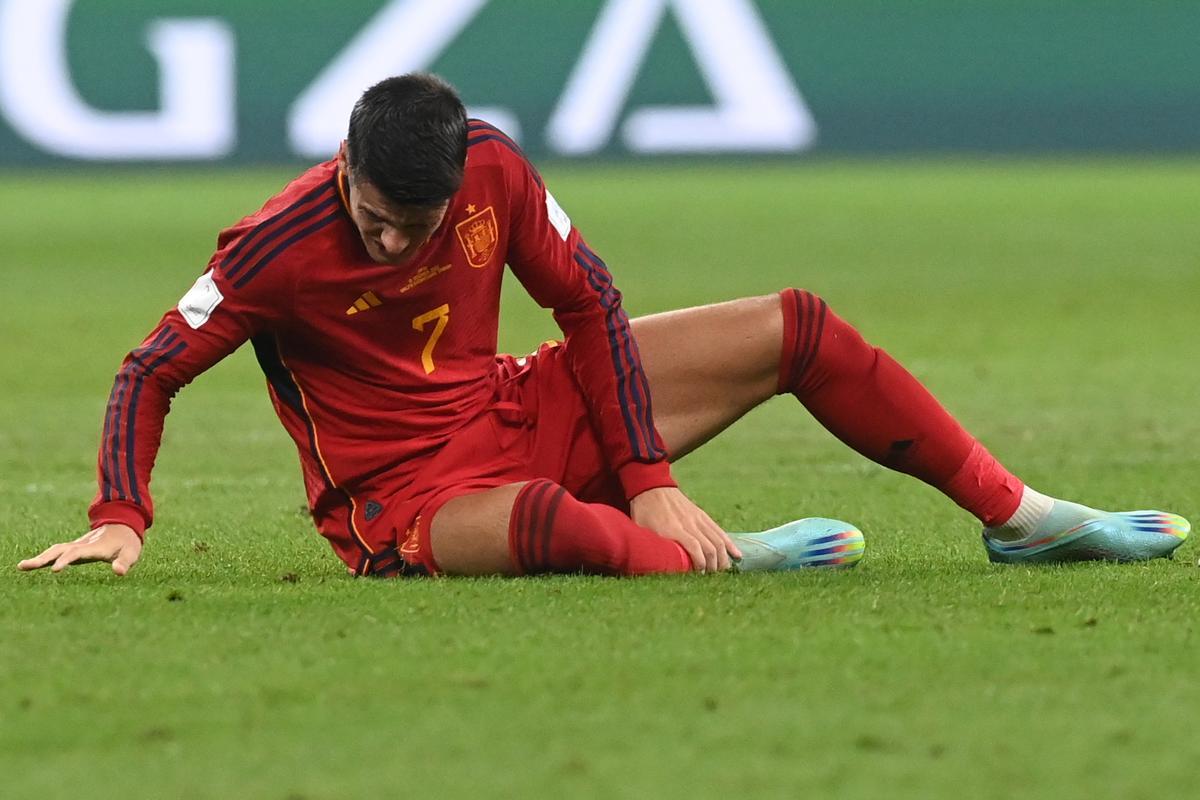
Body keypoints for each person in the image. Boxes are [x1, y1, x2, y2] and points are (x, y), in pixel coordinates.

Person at [17, 73, 1189, 579]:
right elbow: (150, 368)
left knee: (798, 324)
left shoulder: (495, 176)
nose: (392, 247)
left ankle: (1023, 519)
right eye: (374, 222)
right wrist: (121, 517)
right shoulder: (271, 249)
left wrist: (646, 471)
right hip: (407, 499)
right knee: (545, 523)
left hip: (513, 405)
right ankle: (715, 562)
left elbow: (589, 302)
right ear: (342, 172)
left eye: (414, 227)